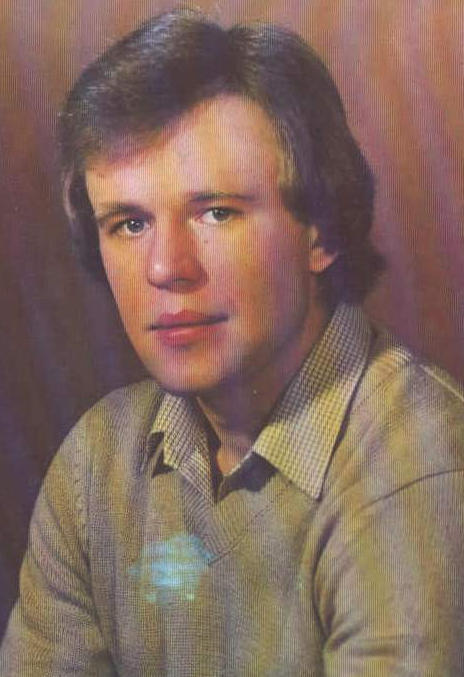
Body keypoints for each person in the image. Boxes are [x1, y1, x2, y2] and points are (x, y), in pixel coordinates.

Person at [2, 9, 464, 676]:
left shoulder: (419, 460)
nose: (167, 268)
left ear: (321, 232)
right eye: (129, 223)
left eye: (216, 212)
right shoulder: (95, 466)